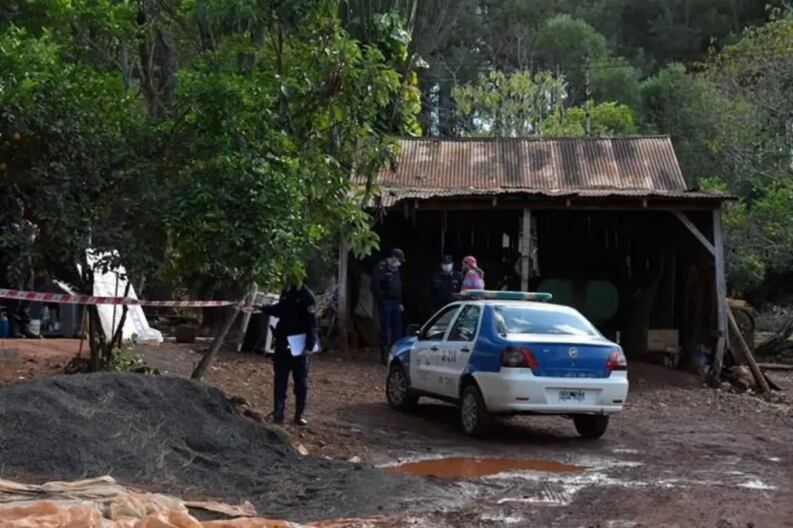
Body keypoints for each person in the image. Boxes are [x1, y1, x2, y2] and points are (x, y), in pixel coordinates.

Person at [258, 275, 318, 426]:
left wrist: (310, 346)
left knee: (301, 380)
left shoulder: (307, 297)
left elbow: (312, 324)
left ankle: (299, 413)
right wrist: (262, 308)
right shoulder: (287, 293)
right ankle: (278, 410)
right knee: (280, 377)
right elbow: (280, 310)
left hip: (300, 345)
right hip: (283, 341)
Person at [371, 248, 405, 365]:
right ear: (394, 257)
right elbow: (375, 285)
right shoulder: (381, 267)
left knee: (397, 328)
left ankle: (396, 355)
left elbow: (398, 286)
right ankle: (384, 355)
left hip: (395, 302)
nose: (399, 263)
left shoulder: (396, 269)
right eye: (398, 260)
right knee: (385, 329)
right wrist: (381, 299)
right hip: (385, 302)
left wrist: (400, 302)